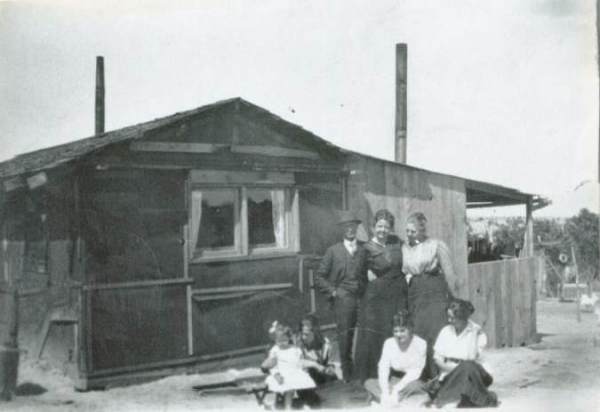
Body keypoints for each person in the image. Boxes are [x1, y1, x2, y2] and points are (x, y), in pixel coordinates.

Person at [402, 212, 459, 379]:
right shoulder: (405, 248)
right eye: (407, 231)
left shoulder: (436, 245)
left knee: (436, 331)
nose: (409, 234)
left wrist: (455, 299)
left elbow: (450, 274)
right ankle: (424, 374)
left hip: (435, 293)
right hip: (415, 293)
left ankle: (440, 373)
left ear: (422, 230)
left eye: (412, 231)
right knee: (419, 333)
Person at [355, 209, 408, 383]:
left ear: (391, 228)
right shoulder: (366, 248)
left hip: (396, 296)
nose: (382, 230)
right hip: (376, 299)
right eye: (379, 226)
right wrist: (369, 280)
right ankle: (374, 374)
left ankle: (396, 371)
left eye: (386, 227)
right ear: (373, 227)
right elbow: (358, 275)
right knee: (376, 335)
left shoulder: (396, 243)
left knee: (394, 330)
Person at [314, 210, 368, 382]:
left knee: (364, 338)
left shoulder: (364, 249)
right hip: (343, 301)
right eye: (346, 227)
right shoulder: (333, 251)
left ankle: (362, 376)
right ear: (341, 229)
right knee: (345, 340)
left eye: (353, 226)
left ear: (357, 228)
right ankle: (348, 379)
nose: (350, 229)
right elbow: (319, 277)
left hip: (362, 299)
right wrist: (334, 291)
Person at [428, 299, 498, 408]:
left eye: (452, 318)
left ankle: (446, 399)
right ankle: (480, 397)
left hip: (476, 375)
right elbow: (437, 359)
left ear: (463, 317)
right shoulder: (445, 331)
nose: (449, 320)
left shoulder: (476, 332)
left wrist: (473, 333)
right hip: (450, 373)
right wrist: (455, 371)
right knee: (464, 377)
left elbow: (471, 357)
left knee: (467, 366)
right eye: (448, 317)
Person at [363, 310, 427, 407]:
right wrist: (385, 391)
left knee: (419, 387)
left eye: (402, 330)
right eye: (395, 331)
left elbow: (415, 372)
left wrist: (397, 389)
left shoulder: (421, 344)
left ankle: (387, 401)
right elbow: (383, 368)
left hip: (411, 382)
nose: (398, 335)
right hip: (392, 381)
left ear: (410, 329)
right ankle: (395, 401)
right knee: (369, 383)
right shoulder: (389, 343)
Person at [262, 324, 316, 410]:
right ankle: (288, 407)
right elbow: (272, 366)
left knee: (303, 383)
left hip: (295, 372)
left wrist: (304, 368)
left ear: (289, 339)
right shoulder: (275, 350)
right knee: (289, 388)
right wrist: (276, 375)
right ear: (275, 340)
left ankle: (305, 403)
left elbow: (300, 361)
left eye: (284, 340)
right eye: (279, 341)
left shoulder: (295, 349)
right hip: (281, 374)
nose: (282, 343)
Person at [294, 314, 337, 408]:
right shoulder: (297, 343)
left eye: (307, 334)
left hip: (321, 379)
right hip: (305, 380)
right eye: (302, 333)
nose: (304, 337)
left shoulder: (325, 344)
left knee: (333, 378)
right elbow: (297, 362)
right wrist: (314, 364)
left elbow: (330, 363)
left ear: (316, 332)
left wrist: (330, 368)